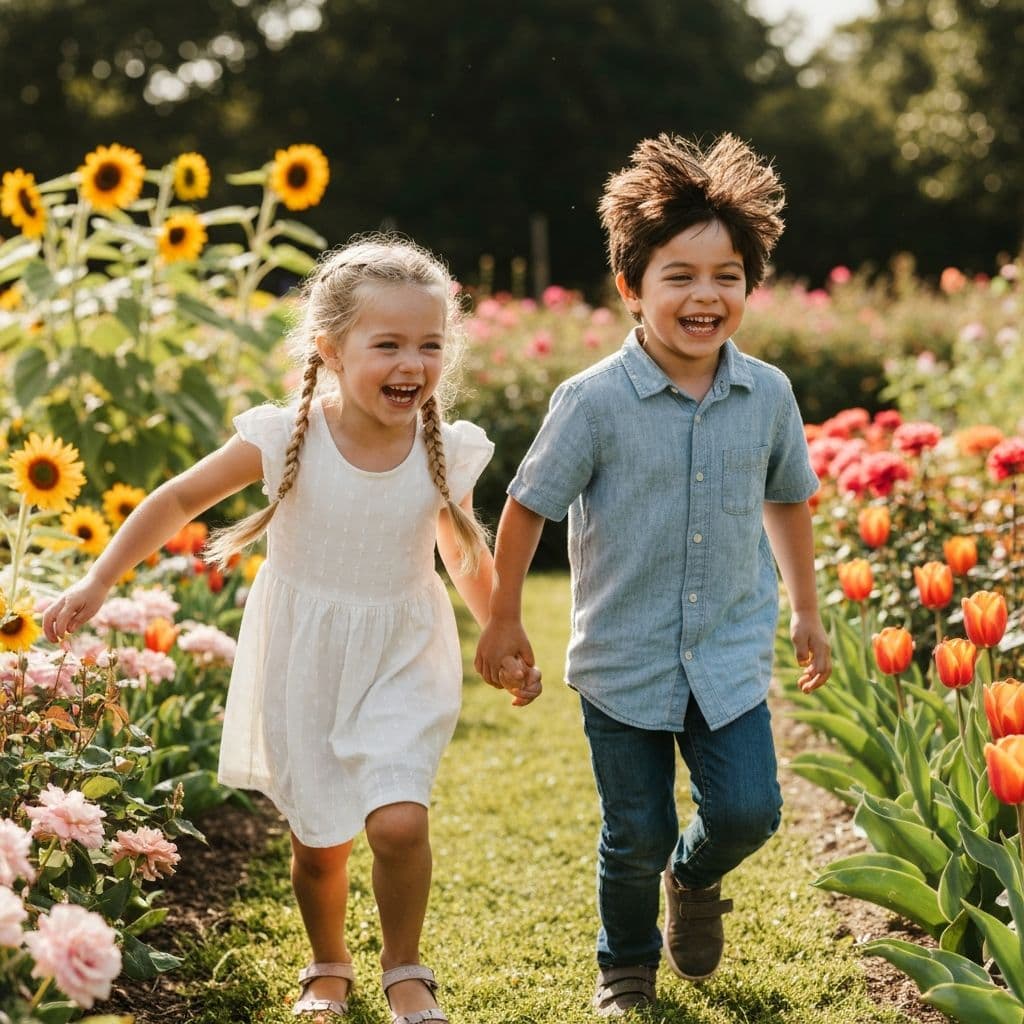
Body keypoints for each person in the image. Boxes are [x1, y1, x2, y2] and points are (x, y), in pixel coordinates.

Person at [43, 234, 541, 1024]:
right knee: (319, 842)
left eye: (429, 344)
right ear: (331, 350)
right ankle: (328, 964)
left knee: (400, 821)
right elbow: (178, 500)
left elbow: (461, 550)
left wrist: (500, 631)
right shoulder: (285, 437)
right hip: (303, 660)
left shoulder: (445, 449)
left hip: (403, 655)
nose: (412, 363)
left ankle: (406, 969)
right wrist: (100, 579)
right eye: (388, 344)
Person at [475, 133, 831, 1017]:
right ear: (631, 286)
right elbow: (527, 507)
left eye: (726, 276)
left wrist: (805, 609)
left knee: (749, 810)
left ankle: (695, 876)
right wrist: (504, 618)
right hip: (624, 660)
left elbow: (788, 498)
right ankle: (626, 962)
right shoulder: (592, 401)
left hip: (729, 651)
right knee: (635, 833)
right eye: (680, 276)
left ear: (749, 285)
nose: (705, 296)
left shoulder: (770, 394)